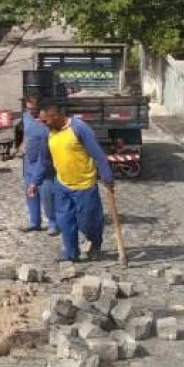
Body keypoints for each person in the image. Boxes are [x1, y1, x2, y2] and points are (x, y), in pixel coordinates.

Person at [40, 102, 115, 262]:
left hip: (84, 185)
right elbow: (45, 159)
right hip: (62, 184)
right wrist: (36, 180)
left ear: (55, 116)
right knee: (65, 222)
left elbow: (98, 154)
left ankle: (95, 243)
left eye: (45, 120)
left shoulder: (79, 128)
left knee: (87, 222)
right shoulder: (49, 133)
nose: (43, 124)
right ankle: (71, 254)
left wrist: (106, 175)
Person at [20, 93, 58, 235]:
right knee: (30, 192)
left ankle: (53, 223)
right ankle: (34, 222)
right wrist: (22, 146)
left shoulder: (47, 121)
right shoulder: (26, 117)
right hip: (28, 161)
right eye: (29, 108)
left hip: (45, 161)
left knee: (46, 193)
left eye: (34, 109)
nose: (31, 111)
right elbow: (26, 134)